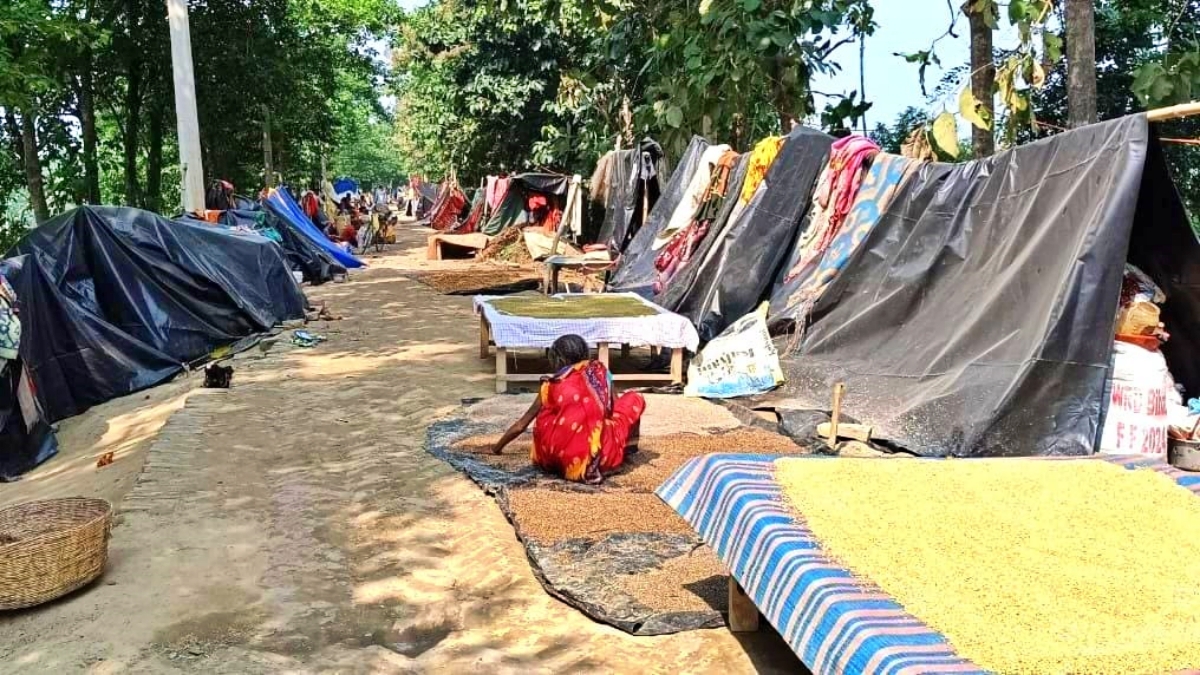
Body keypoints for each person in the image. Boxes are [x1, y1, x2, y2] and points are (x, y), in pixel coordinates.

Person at [491, 335, 644, 484]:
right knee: (634, 398)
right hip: (588, 464)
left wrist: (495, 448)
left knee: (553, 412)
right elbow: (614, 409)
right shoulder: (600, 372)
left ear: (558, 360)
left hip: (549, 460)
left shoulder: (550, 385)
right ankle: (628, 450)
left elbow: (521, 425)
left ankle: (563, 456)